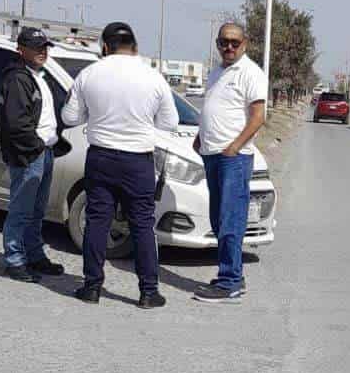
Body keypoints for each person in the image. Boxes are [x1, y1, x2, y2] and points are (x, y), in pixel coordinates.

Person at [61, 22, 178, 309]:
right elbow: (170, 123)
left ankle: (91, 287)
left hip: (100, 157)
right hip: (138, 160)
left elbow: (70, 117)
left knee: (97, 221)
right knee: (142, 224)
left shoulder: (89, 74)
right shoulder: (153, 77)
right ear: (135, 48)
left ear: (104, 47)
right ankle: (148, 292)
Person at [192, 22, 267, 304]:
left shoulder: (250, 73)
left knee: (230, 219)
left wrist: (235, 147)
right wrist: (201, 137)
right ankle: (234, 273)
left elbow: (258, 116)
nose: (229, 47)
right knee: (218, 218)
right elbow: (214, 108)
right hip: (212, 154)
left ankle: (229, 282)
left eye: (235, 42)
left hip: (233, 159)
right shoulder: (216, 72)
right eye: (224, 42)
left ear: (244, 44)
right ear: (217, 43)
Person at [0, 27, 67, 283]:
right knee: (21, 209)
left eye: (45, 47)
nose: (42, 52)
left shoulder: (38, 76)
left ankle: (34, 255)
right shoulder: (17, 78)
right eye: (36, 47)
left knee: (37, 211)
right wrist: (36, 146)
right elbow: (16, 123)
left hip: (44, 152)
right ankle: (14, 260)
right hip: (29, 154)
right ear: (21, 49)